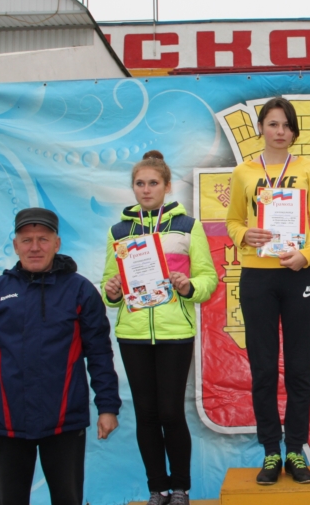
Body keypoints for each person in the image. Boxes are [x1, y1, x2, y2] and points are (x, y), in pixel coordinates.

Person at [0, 207, 121, 505]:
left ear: (57, 244)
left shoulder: (80, 291)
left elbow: (99, 353)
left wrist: (107, 407)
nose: (35, 247)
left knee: (68, 499)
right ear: (15, 245)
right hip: (8, 421)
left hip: (65, 420)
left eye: (43, 239)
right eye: (27, 240)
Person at [225, 97, 310, 484]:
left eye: (286, 125)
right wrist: (245, 234)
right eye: (273, 124)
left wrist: (307, 255)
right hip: (257, 276)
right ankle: (271, 451)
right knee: (264, 368)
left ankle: (296, 450)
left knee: (300, 367)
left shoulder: (306, 168)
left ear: (293, 130)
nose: (280, 131)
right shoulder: (244, 171)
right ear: (261, 128)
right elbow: (233, 221)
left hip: (298, 274)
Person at [102, 150, 218, 505]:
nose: (146, 189)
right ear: (133, 188)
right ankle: (157, 489)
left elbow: (208, 278)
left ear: (167, 187)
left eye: (153, 183)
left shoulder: (188, 226)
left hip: (174, 333)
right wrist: (112, 291)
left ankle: (180, 488)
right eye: (140, 183)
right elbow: (109, 283)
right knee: (146, 415)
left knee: (170, 412)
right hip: (133, 334)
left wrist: (189, 286)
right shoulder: (119, 231)